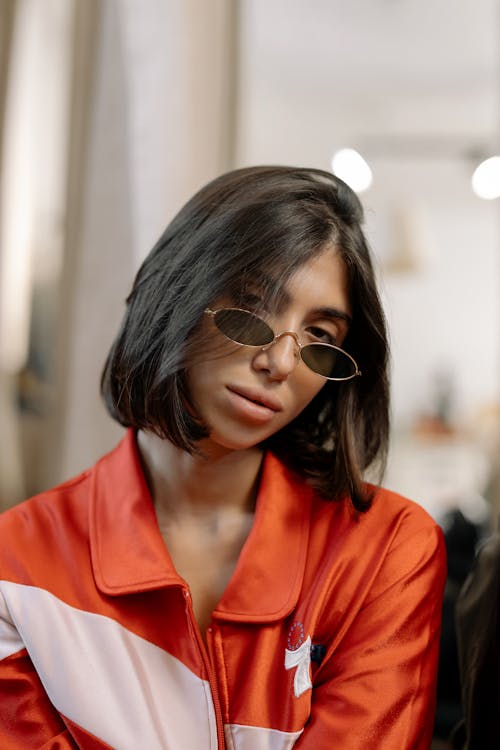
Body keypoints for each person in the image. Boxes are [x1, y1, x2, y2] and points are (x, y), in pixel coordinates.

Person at [0, 166, 446, 749]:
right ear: (176, 292)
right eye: (252, 308)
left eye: (319, 336)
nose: (282, 363)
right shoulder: (19, 565)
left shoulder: (387, 548)